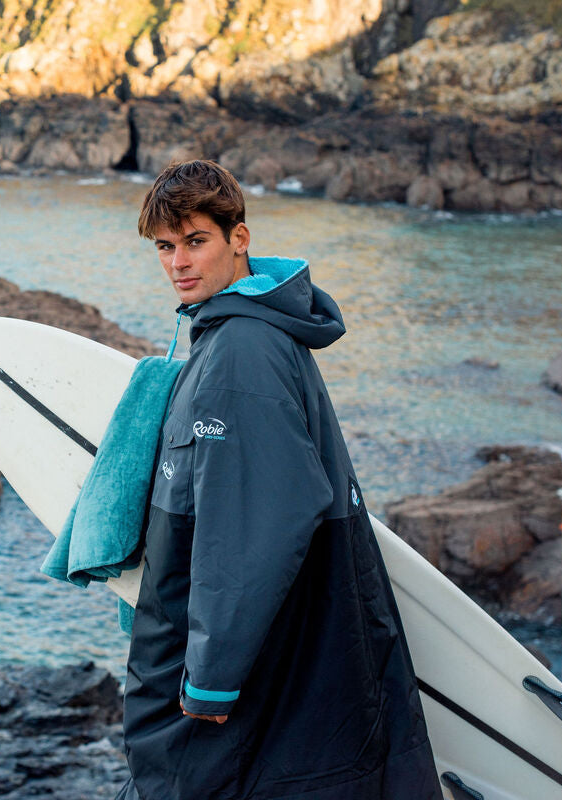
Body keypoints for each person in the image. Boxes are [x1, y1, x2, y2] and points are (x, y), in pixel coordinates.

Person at [116, 160, 443, 800]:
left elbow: (255, 524)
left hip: (235, 669)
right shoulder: (236, 333)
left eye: (196, 241)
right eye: (165, 246)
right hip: (263, 648)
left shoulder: (240, 350)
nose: (179, 262)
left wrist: (211, 673)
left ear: (239, 238)